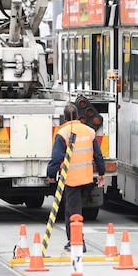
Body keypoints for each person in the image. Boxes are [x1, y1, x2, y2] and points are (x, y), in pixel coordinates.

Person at [47, 103, 105, 251]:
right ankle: (72, 239)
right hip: (86, 178)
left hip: (71, 178)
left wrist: (51, 174)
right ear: (79, 116)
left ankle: (78, 242)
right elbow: (98, 155)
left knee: (73, 211)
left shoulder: (63, 133)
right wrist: (101, 173)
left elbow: (57, 157)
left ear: (65, 117)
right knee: (70, 209)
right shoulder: (90, 131)